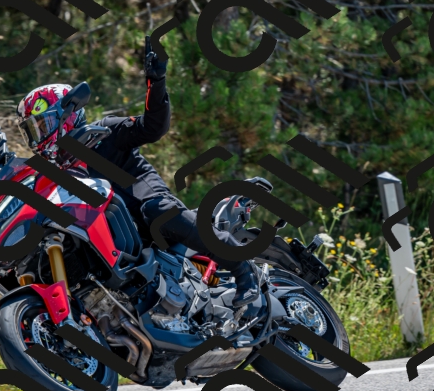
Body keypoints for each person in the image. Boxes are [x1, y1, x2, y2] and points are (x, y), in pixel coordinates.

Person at [15, 36, 259, 307]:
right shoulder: (54, 173)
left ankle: (243, 269)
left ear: (66, 115)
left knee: (158, 212)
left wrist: (156, 81)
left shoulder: (103, 132)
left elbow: (153, 127)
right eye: (32, 130)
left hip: (146, 203)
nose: (38, 136)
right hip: (120, 237)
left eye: (43, 125)